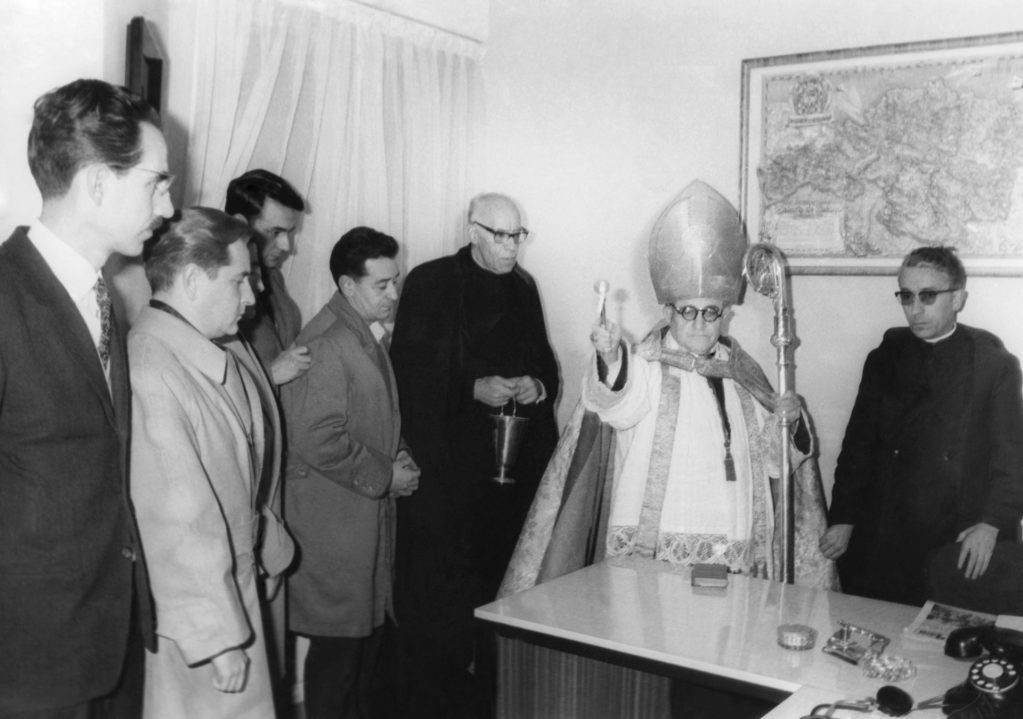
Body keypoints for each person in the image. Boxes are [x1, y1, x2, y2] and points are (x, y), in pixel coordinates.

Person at [0, 78, 172, 718]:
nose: (169, 202)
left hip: (109, 645)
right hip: (27, 665)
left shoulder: (107, 300)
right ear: (98, 183)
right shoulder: (4, 294)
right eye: (157, 181)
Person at [389, 192, 560, 717]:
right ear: (473, 231)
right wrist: (470, 388)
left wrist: (535, 384)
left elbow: (546, 365)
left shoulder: (524, 287)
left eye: (518, 236)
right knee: (442, 610)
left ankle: (493, 701)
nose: (511, 248)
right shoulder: (430, 281)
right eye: (501, 236)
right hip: (449, 480)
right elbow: (407, 375)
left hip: (506, 481)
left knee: (502, 597)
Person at [130, 207, 286, 719]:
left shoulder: (212, 352)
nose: (253, 294)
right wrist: (216, 639)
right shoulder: (151, 367)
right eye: (240, 279)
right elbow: (176, 523)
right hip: (199, 622)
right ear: (194, 280)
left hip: (233, 592)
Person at [821, 246, 1023, 606]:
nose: (915, 309)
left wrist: (992, 524)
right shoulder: (884, 358)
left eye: (928, 296)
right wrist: (844, 517)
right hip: (885, 525)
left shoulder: (994, 365)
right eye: (907, 296)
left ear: (958, 298)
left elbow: (1012, 459)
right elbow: (858, 446)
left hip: (957, 530)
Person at [281, 226, 420, 719]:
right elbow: (316, 437)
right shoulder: (326, 342)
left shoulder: (360, 334)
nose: (394, 294)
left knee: (357, 662)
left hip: (356, 526)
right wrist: (386, 475)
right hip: (333, 530)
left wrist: (398, 453)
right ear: (347, 285)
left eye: (394, 281)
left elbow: (375, 415)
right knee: (336, 669)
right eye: (382, 285)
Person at [226, 169, 312, 386]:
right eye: (275, 232)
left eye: (289, 233)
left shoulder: (272, 276)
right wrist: (270, 374)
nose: (286, 246)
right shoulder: (215, 284)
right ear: (240, 222)